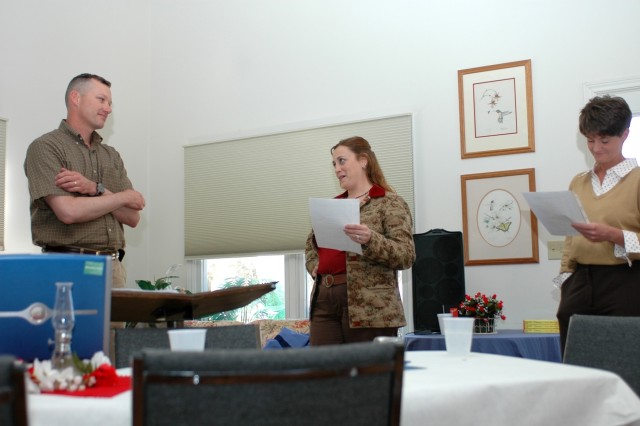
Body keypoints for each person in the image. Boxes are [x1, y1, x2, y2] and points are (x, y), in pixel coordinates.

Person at [24, 73, 145, 288]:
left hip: (113, 270)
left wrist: (95, 188)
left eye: (110, 103)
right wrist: (122, 197)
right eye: (101, 100)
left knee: (114, 324)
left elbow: (132, 216)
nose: (108, 108)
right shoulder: (46, 147)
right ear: (75, 98)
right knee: (68, 323)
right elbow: (68, 212)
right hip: (67, 268)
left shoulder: (111, 155)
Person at [305, 136, 415, 345]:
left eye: (342, 161)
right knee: (325, 372)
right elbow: (311, 247)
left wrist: (370, 239)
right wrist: (314, 266)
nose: (337, 168)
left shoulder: (389, 202)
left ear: (363, 160)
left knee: (366, 374)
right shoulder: (332, 205)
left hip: (369, 307)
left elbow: (406, 255)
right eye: (334, 164)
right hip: (324, 301)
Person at [556, 95, 640, 355]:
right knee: (576, 357)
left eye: (604, 140)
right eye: (590, 140)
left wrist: (613, 235)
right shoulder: (578, 182)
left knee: (623, 359)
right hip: (581, 281)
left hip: (626, 281)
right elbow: (571, 238)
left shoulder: (637, 180)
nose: (596, 148)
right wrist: (567, 279)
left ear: (625, 135)